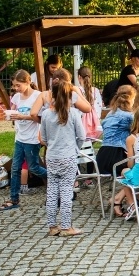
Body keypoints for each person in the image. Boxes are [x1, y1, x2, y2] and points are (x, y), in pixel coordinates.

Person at [40, 80, 86, 237]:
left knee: (52, 192)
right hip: (68, 157)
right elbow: (82, 136)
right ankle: (66, 227)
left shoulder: (46, 114)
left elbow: (43, 138)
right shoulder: (73, 113)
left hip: (52, 157)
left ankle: (52, 226)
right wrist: (75, 148)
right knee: (66, 192)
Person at [0, 70, 45, 210]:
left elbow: (40, 118)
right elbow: (12, 110)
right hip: (19, 137)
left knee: (34, 168)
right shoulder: (17, 97)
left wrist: (22, 117)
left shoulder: (38, 96)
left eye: (18, 85)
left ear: (28, 82)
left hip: (32, 138)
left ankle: (58, 178)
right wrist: (8, 114)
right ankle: (14, 199)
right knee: (15, 168)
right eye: (14, 86)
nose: (16, 89)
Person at [95, 85, 137, 176]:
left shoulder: (110, 113)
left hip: (102, 157)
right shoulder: (130, 116)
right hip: (117, 155)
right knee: (136, 168)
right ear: (131, 99)